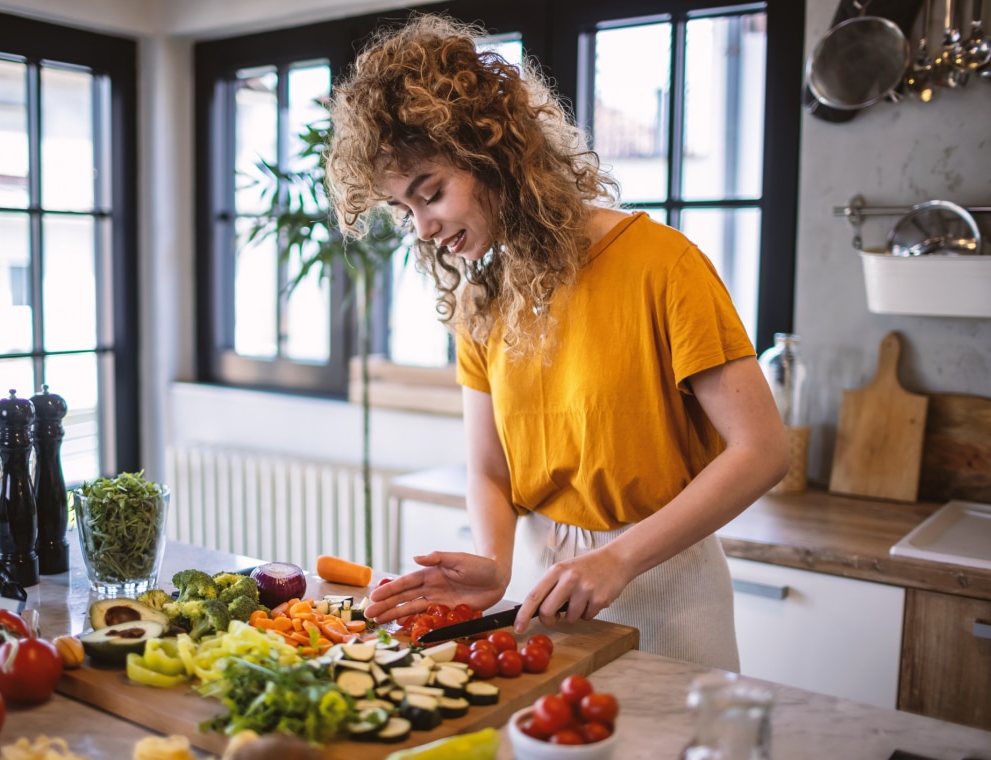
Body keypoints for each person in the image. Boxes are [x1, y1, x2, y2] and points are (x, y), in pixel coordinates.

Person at [326, 14, 790, 670]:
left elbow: (763, 450)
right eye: (404, 211)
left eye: (431, 194)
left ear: (494, 154)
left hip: (667, 584)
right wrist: (495, 563)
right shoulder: (481, 302)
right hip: (544, 588)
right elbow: (491, 470)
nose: (423, 227)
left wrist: (620, 557)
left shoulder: (662, 263)